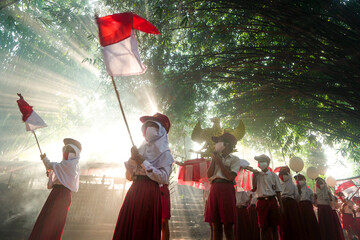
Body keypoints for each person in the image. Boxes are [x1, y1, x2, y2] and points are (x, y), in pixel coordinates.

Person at [112, 113, 174, 240]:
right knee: (129, 226)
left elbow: (163, 178)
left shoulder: (165, 154)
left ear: (160, 130)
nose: (148, 128)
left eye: (153, 125)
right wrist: (132, 158)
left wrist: (143, 162)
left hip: (149, 192)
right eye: (147, 125)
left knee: (141, 227)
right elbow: (129, 177)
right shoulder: (140, 149)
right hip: (134, 190)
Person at [28, 138, 82, 240]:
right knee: (47, 219)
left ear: (75, 153)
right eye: (65, 149)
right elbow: (57, 173)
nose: (66, 152)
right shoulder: (66, 165)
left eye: (69, 150)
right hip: (57, 193)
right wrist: (51, 172)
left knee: (51, 222)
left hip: (62, 195)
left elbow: (50, 165)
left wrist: (44, 158)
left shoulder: (71, 165)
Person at [205, 132, 245, 240]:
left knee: (228, 225)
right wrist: (214, 160)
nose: (216, 144)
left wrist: (220, 163)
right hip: (214, 188)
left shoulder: (235, 159)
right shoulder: (215, 157)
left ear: (226, 144)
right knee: (215, 225)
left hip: (226, 189)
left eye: (219, 142)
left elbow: (231, 177)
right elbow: (209, 175)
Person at [252, 154, 283, 240]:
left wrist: (281, 206)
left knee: (274, 227)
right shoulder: (257, 175)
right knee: (263, 227)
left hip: (272, 201)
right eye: (259, 161)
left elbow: (278, 191)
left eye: (262, 161)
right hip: (261, 202)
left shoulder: (273, 175)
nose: (260, 163)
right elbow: (254, 188)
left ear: (267, 163)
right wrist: (254, 176)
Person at [278, 166, 306, 240]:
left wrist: (299, 191)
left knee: (287, 224)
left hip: (286, 205)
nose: (283, 176)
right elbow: (297, 197)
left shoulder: (278, 184)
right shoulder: (292, 185)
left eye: (284, 173)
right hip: (290, 205)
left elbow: (297, 197)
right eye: (282, 173)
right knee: (292, 223)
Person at [294, 174, 321, 240]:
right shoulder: (295, 189)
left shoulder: (309, 190)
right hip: (300, 207)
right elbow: (295, 199)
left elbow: (312, 201)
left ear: (304, 179)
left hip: (308, 207)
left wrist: (315, 199)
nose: (299, 181)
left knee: (310, 223)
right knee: (302, 223)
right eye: (298, 180)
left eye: (301, 179)